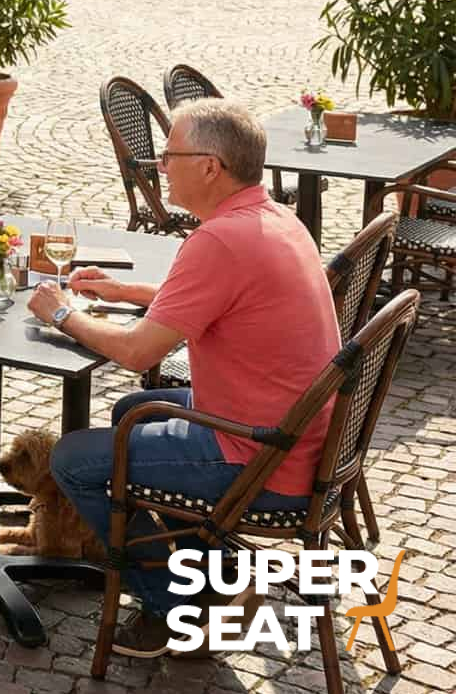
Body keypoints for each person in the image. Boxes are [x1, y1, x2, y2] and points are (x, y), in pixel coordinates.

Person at [39, 99, 335, 658]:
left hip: (264, 462)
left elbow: (136, 350)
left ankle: (182, 609)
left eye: (170, 154)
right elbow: (214, 303)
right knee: (130, 411)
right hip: (298, 437)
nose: (157, 164)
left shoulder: (219, 240)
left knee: (75, 460)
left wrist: (60, 312)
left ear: (210, 167)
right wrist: (126, 291)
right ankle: (216, 572)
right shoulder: (272, 219)